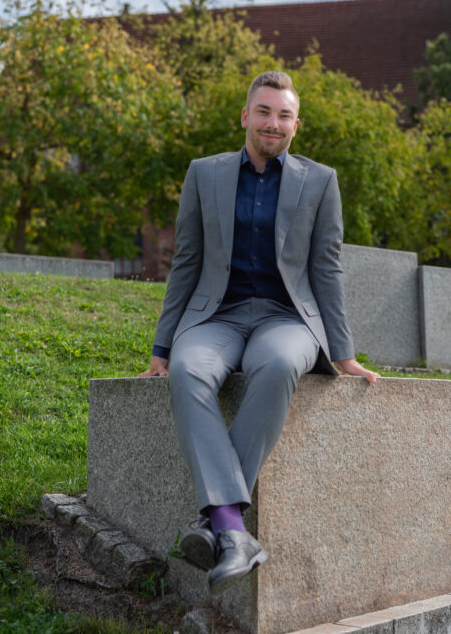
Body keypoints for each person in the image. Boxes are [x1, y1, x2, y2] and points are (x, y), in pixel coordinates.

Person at [138, 70, 379, 594]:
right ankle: (234, 532)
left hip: (286, 318)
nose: (274, 123)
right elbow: (186, 261)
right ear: (246, 116)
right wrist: (162, 346)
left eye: (284, 115)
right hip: (216, 316)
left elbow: (327, 268)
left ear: (296, 124)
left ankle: (218, 524)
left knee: (278, 364)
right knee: (188, 370)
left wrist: (343, 352)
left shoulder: (321, 181)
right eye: (264, 112)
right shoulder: (204, 173)